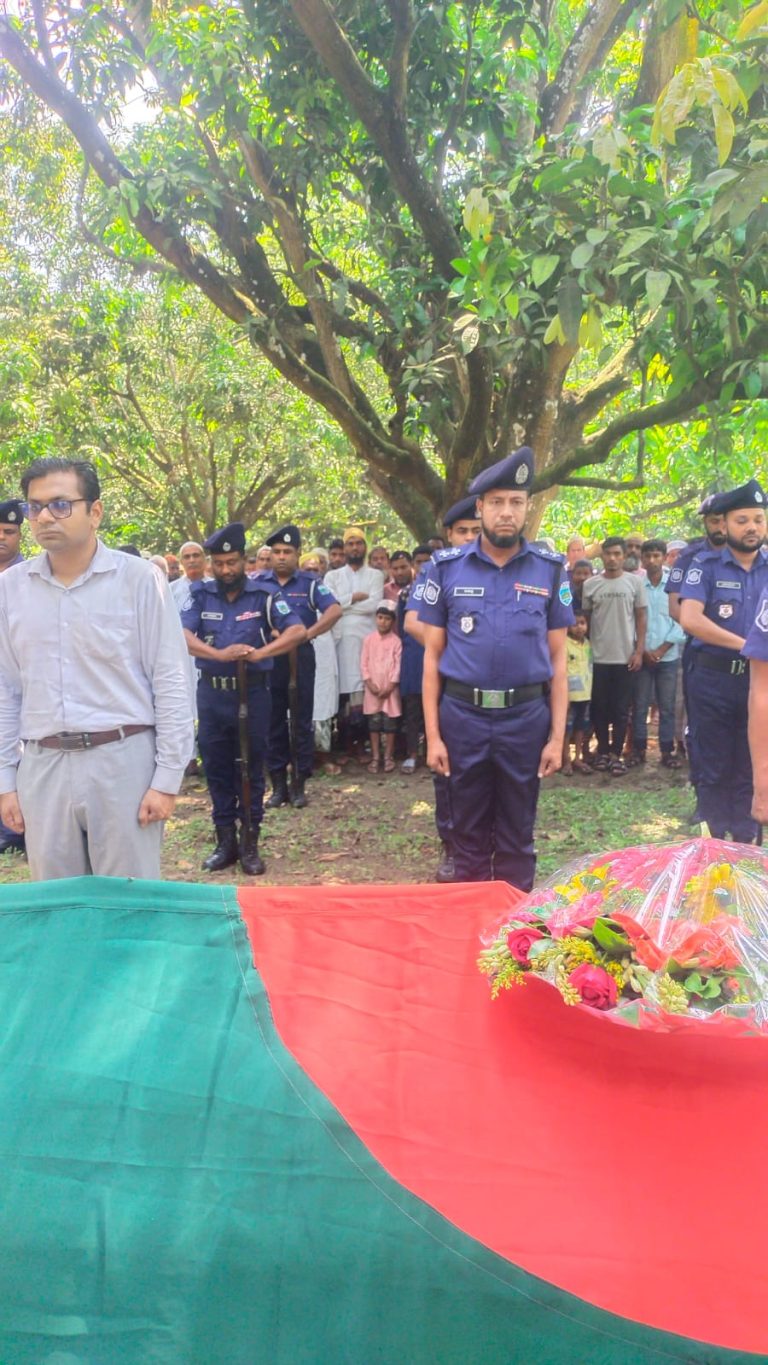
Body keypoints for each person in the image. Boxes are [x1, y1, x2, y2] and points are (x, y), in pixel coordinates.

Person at [0, 457, 194, 880]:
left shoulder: (140, 580)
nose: (45, 517)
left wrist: (166, 779)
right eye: (35, 507)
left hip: (123, 760)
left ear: (95, 512)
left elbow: (171, 679)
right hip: (43, 765)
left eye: (60, 504)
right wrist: (5, 781)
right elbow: (5, 692)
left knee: (128, 899)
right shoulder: (10, 589)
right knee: (59, 902)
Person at [419, 448, 572, 889]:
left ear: (527, 508)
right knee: (465, 836)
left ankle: (513, 927)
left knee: (517, 837)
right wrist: (434, 736)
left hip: (525, 719)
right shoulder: (446, 569)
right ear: (481, 507)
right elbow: (432, 658)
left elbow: (558, 660)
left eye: (517, 502)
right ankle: (468, 924)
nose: (507, 512)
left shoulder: (549, 570)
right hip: (462, 717)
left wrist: (557, 738)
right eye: (498, 502)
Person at [181, 522, 306, 874]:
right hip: (212, 694)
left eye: (232, 562)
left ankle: (250, 842)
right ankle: (225, 842)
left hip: (252, 693)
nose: (225, 570)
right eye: (219, 564)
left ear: (243, 560)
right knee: (216, 767)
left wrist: (261, 653)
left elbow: (297, 630)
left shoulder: (265, 595)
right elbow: (181, 633)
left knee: (251, 767)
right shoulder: (201, 594)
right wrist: (218, 654)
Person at [679, 479, 768, 842]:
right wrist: (749, 645)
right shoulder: (706, 564)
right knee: (713, 767)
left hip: (758, 684)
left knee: (751, 765)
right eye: (742, 520)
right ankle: (713, 851)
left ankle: (747, 849)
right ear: (725, 524)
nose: (752, 527)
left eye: (758, 520)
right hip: (712, 682)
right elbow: (690, 618)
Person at [406, 495, 481, 873]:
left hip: (497, 689)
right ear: (449, 535)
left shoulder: (501, 568)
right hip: (451, 683)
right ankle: (452, 846)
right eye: (462, 531)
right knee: (448, 769)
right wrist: (456, 649)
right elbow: (412, 622)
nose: (469, 538)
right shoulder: (437, 570)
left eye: (475, 531)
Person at [260, 524, 342, 808]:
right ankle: (278, 786)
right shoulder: (258, 583)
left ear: (297, 554)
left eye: (287, 552)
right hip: (270, 659)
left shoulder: (310, 583)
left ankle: (299, 785)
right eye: (277, 552)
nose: (281, 557)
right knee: (272, 721)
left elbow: (334, 610)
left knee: (301, 720)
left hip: (301, 657)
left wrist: (307, 633)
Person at [581, 537, 647, 776]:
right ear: (602, 557)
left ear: (624, 556)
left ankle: (616, 755)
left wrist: (639, 651)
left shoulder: (634, 583)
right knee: (599, 708)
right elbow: (586, 621)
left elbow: (641, 617)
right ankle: (602, 751)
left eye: (617, 554)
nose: (612, 558)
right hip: (598, 658)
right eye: (608, 554)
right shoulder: (591, 585)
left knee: (621, 709)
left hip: (625, 658)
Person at [324, 527, 385, 758]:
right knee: (343, 694)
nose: (355, 548)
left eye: (359, 543)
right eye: (350, 544)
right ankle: (343, 744)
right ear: (345, 548)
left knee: (365, 691)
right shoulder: (332, 577)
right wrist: (353, 597)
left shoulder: (375, 575)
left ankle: (362, 744)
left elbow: (374, 605)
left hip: (368, 640)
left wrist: (344, 606)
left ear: (365, 547)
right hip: (340, 642)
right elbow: (330, 605)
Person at [630, 540, 686, 768]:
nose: (652, 560)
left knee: (667, 707)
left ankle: (666, 751)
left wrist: (662, 649)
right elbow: (630, 620)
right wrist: (641, 650)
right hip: (641, 657)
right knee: (640, 705)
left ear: (664, 557)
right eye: (648, 556)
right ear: (642, 559)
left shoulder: (675, 584)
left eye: (656, 556)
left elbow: (682, 620)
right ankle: (638, 751)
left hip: (668, 657)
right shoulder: (636, 585)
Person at [0, 499, 26, 855]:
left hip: (18, 680)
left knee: (19, 753)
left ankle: (16, 829)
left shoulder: (29, 578)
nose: (2, 538)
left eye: (8, 531)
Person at [361, 601, 402, 773]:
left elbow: (397, 665)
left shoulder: (396, 642)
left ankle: (388, 757)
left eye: (387, 619)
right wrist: (369, 683)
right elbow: (364, 663)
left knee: (390, 725)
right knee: (374, 725)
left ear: (393, 621)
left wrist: (391, 685)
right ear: (375, 618)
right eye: (380, 617)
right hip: (373, 690)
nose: (383, 622)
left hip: (390, 691)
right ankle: (375, 757)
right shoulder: (368, 640)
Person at [562, 608, 593, 775]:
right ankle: (566, 760)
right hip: (569, 697)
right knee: (567, 729)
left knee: (581, 727)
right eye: (575, 624)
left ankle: (578, 758)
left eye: (582, 623)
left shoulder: (587, 644)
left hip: (585, 695)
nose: (579, 627)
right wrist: (563, 695)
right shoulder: (564, 644)